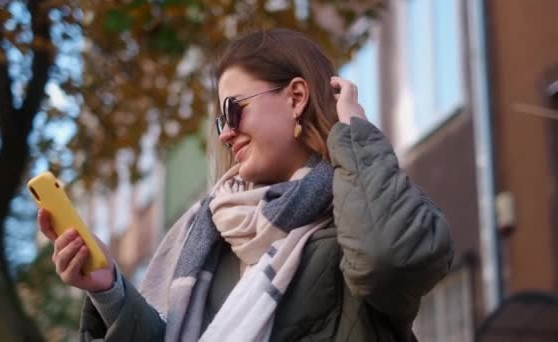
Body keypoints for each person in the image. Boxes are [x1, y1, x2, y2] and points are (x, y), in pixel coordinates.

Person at [38, 28, 453, 341]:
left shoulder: (357, 215)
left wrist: (354, 130)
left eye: (234, 112)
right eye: (220, 121)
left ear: (295, 97)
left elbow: (391, 261)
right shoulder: (210, 232)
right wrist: (110, 290)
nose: (225, 134)